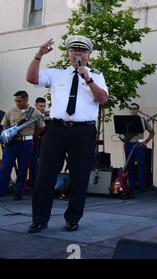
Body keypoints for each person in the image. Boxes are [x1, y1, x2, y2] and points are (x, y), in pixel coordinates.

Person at [26, 35, 108, 233]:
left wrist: (87, 78)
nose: (78, 54)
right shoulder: (57, 74)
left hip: (83, 131)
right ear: (69, 54)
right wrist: (38, 55)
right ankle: (40, 219)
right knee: (45, 175)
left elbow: (103, 99)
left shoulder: (96, 76)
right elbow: (31, 78)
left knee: (80, 177)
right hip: (56, 130)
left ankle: (73, 218)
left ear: (88, 55)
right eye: (74, 50)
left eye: (82, 51)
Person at [0, 91, 45, 200]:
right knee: (5, 167)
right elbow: (4, 126)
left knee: (23, 168)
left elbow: (41, 126)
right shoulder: (11, 111)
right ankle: (1, 191)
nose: (17, 102)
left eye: (19, 100)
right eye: (16, 100)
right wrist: (6, 136)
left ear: (26, 100)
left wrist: (34, 135)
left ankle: (18, 193)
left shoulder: (35, 113)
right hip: (11, 143)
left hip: (26, 143)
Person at [124, 103, 154, 193]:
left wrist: (146, 141)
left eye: (135, 108)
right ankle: (131, 186)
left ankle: (141, 187)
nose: (132, 110)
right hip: (128, 144)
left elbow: (152, 132)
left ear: (138, 110)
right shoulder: (125, 121)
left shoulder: (143, 120)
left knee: (141, 166)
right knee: (130, 166)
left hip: (139, 145)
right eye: (131, 109)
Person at [28, 97, 47, 190]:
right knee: (33, 162)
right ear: (35, 105)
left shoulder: (46, 115)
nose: (42, 108)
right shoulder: (31, 114)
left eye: (44, 106)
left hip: (44, 141)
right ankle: (33, 183)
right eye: (40, 106)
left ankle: (41, 183)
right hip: (34, 140)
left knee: (43, 162)